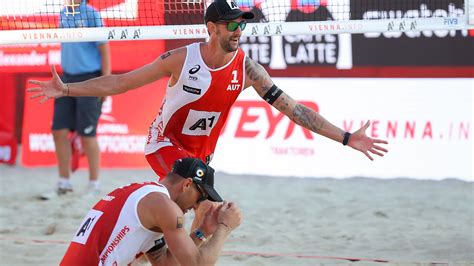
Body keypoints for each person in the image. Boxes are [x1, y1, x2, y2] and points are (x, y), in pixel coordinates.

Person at [29, 0, 387, 220]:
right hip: (163, 144)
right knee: (193, 193)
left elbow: (295, 111)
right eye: (232, 24)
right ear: (212, 28)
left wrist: (345, 137)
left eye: (242, 24)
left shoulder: (248, 69)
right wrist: (68, 89)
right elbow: (121, 83)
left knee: (204, 211)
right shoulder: (181, 59)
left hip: (201, 155)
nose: (239, 30)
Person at [60, 157, 241, 265]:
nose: (196, 206)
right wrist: (225, 227)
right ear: (187, 184)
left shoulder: (147, 196)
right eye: (200, 197)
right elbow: (195, 264)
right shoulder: (165, 208)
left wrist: (202, 231)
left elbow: (165, 264)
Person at [42, 0, 111, 199]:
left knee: (88, 134)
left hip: (90, 77)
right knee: (58, 131)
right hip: (66, 78)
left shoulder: (91, 14)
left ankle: (94, 184)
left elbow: (104, 49)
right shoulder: (63, 13)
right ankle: (64, 183)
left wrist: (105, 83)